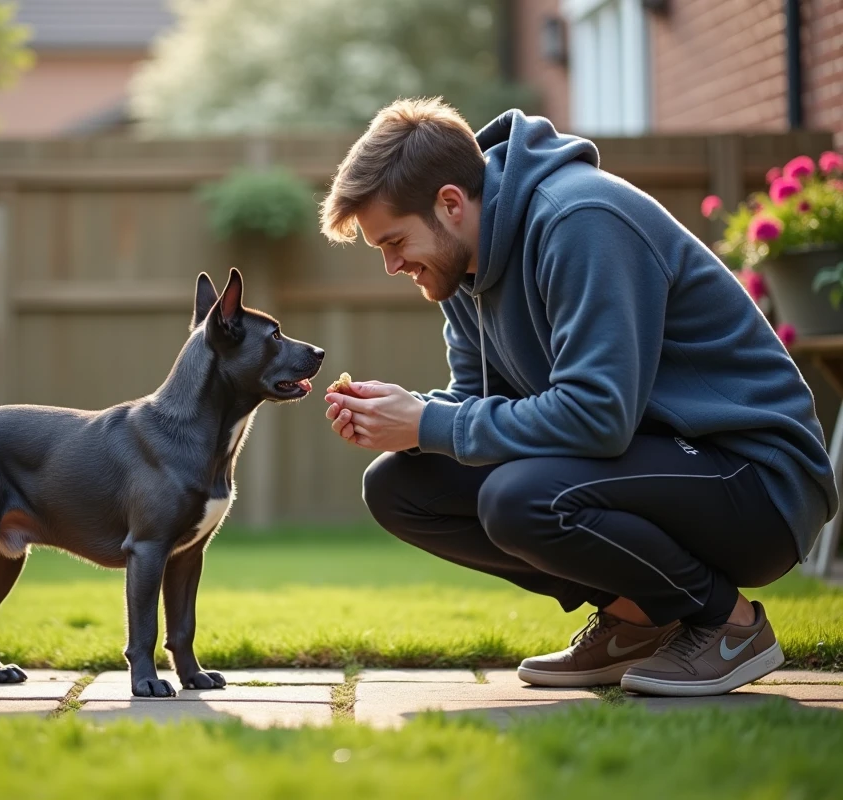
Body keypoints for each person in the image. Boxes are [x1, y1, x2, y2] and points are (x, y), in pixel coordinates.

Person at [319, 98, 838, 696]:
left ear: (450, 205)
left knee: (519, 498)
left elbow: (598, 415)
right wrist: (404, 416)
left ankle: (730, 624)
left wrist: (429, 422)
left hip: (754, 477)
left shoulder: (580, 219)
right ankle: (639, 616)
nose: (390, 265)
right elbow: (476, 406)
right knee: (400, 487)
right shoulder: (461, 272)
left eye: (394, 241)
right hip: (651, 458)